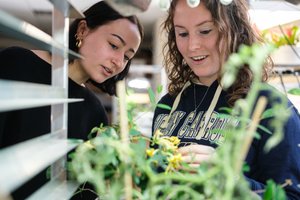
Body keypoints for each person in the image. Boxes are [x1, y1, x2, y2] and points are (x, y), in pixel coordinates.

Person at [151, 0, 300, 199]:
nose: (192, 46)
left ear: (235, 30)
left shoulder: (270, 106)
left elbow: (291, 196)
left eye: (205, 31)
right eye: (182, 33)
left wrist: (230, 178)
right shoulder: (168, 105)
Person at [0, 1, 143, 199]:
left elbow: (84, 188)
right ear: (83, 29)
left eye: (127, 57)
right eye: (113, 45)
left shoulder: (95, 111)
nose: (118, 62)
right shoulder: (16, 63)